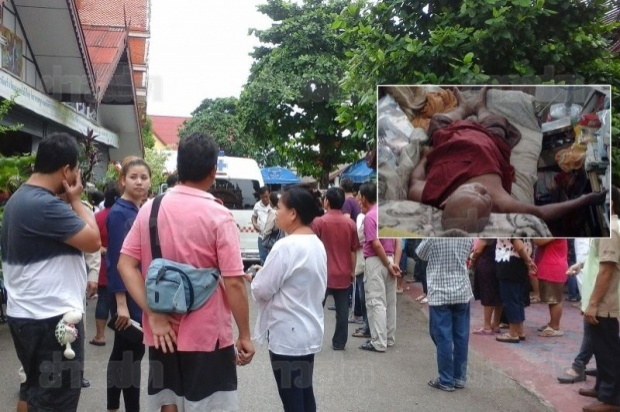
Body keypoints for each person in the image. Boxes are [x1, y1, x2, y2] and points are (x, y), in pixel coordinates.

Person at [118, 133, 254, 411]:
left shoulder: (150, 209)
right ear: (213, 171)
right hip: (208, 334)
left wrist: (153, 314)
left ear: (179, 166)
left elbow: (125, 264)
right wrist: (245, 335)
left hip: (162, 331)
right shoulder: (219, 216)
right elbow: (235, 283)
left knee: (168, 404)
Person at [407, 87, 605, 232]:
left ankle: (466, 108)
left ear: (446, 200)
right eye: (484, 196)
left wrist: (424, 159)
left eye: (472, 191)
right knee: (496, 125)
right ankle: (480, 107)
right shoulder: (500, 201)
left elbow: (415, 179)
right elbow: (542, 213)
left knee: (438, 122)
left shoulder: (426, 193)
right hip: (487, 142)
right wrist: (585, 199)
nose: (481, 189)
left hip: (452, 139)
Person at [0, 133, 101, 412]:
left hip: (27, 316)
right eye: (76, 171)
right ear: (66, 171)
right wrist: (77, 200)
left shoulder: (20, 199)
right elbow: (94, 240)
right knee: (55, 402)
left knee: (34, 391)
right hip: (53, 323)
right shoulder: (46, 206)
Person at [251, 186, 327, 411]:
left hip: (287, 338)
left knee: (293, 401)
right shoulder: (316, 243)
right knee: (304, 396)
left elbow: (262, 289)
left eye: (279, 208)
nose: (276, 213)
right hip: (308, 331)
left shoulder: (285, 246)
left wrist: (258, 277)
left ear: (293, 213)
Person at [106, 158, 151, 412]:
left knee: (122, 353)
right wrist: (121, 304)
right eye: (133, 176)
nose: (139, 181)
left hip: (134, 293)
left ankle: (113, 405)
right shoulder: (121, 213)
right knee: (131, 355)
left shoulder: (135, 210)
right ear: (123, 180)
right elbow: (115, 260)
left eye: (144, 177)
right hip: (127, 297)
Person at [580, 187, 620, 412]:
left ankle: (612, 399)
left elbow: (607, 269)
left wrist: (594, 303)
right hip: (598, 297)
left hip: (604, 301)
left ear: (611, 204)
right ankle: (602, 388)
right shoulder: (609, 227)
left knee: (608, 349)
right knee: (601, 346)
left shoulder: (612, 229)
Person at [416, 238, 474, 391]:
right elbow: (469, 250)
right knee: (461, 336)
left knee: (442, 337)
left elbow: (420, 253)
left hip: (440, 292)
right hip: (461, 290)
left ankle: (446, 380)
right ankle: (459, 377)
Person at [313, 187, 359, 350]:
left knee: (315, 309)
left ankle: (313, 340)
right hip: (343, 273)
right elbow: (353, 250)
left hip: (322, 273)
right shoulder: (350, 224)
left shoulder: (319, 222)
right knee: (342, 312)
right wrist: (352, 271)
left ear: (327, 201)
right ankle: (339, 342)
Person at [358, 182, 402, 353]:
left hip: (377, 261)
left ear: (364, 197)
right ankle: (389, 338)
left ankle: (378, 341)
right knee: (390, 302)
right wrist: (394, 263)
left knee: (376, 301)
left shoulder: (370, 217)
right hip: (390, 259)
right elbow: (399, 241)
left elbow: (375, 244)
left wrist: (386, 263)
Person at [557, 239, 598, 384]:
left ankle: (579, 365)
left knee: (596, 328)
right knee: (601, 331)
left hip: (602, 290)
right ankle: (605, 366)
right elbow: (597, 257)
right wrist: (581, 265)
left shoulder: (612, 229)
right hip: (596, 286)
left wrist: (593, 302)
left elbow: (607, 266)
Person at [89, 181, 120, 347]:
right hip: (122, 266)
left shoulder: (98, 217)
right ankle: (121, 335)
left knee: (103, 301)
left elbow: (92, 240)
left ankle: (100, 336)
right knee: (119, 302)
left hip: (103, 265)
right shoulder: (123, 214)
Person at [494, 239, 537, 343]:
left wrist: (528, 260)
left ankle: (513, 333)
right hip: (520, 261)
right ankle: (520, 330)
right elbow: (527, 244)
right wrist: (528, 259)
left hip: (508, 259)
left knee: (510, 298)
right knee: (518, 298)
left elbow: (518, 244)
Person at [532, 239, 568, 337]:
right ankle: (552, 323)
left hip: (554, 266)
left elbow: (538, 241)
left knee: (555, 299)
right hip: (550, 265)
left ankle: (555, 326)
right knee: (551, 298)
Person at [470, 239, 503, 335]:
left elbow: (478, 250)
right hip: (499, 263)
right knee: (498, 293)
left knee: (487, 293)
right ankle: (496, 323)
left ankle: (487, 326)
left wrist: (472, 259)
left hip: (487, 263)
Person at [252, 186, 272, 264]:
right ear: (260, 196)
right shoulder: (257, 206)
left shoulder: (273, 204)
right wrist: (254, 224)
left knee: (271, 258)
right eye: (263, 197)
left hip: (272, 237)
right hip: (262, 237)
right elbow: (254, 216)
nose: (265, 199)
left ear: (269, 194)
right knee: (263, 258)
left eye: (267, 197)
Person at [261, 192, 284, 256]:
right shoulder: (283, 211)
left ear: (272, 201)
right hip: (281, 241)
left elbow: (268, 229)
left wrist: (264, 237)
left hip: (273, 243)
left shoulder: (273, 212)